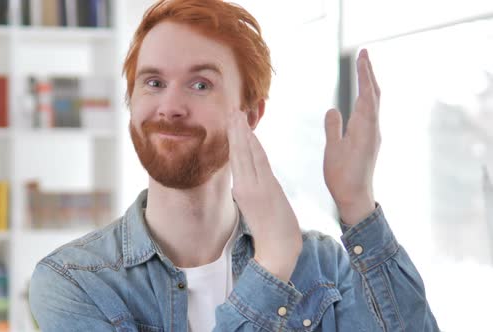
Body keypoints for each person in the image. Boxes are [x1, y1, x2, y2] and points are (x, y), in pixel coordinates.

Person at [29, 0, 440, 331]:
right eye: (153, 82)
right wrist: (273, 266)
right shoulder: (73, 280)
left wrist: (358, 207)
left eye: (200, 84)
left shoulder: (323, 265)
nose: (170, 107)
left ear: (251, 113)